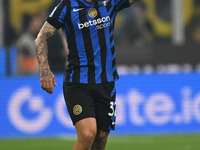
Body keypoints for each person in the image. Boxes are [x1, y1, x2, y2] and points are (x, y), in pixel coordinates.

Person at [35, 0, 139, 149]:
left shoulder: (111, 2)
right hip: (78, 83)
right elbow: (41, 37)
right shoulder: (67, 6)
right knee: (88, 134)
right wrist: (45, 69)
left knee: (101, 137)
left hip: (106, 82)